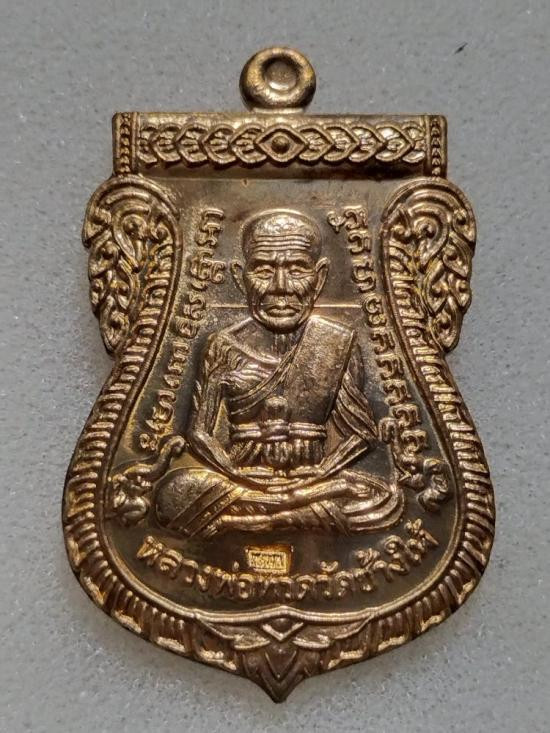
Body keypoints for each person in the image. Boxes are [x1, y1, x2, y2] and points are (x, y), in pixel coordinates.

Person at [155, 209, 403, 537]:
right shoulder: (223, 344)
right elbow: (198, 434)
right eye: (263, 270)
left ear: (320, 277)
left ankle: (262, 520)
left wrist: (320, 475)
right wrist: (236, 473)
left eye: (297, 269)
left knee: (379, 495)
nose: (281, 287)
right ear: (240, 276)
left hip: (310, 479)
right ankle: (288, 513)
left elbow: (362, 435)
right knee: (172, 494)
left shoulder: (335, 342)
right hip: (242, 480)